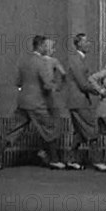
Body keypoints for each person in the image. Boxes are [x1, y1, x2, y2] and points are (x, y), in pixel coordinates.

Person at [0, 35, 63, 170]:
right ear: (41, 46)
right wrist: (56, 86)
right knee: (49, 129)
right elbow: (47, 84)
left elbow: (18, 82)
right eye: (45, 45)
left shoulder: (24, 61)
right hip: (37, 103)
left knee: (14, 131)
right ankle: (54, 159)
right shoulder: (41, 62)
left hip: (22, 101)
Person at [66, 33, 106, 171]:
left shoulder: (79, 60)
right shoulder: (77, 61)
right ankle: (97, 161)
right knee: (92, 129)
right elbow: (83, 84)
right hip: (79, 101)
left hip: (77, 101)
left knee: (79, 132)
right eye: (85, 41)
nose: (88, 43)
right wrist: (99, 91)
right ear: (78, 44)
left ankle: (71, 159)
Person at [42, 38, 66, 169]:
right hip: (49, 96)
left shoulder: (38, 61)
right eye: (52, 47)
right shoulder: (53, 61)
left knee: (47, 125)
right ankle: (51, 156)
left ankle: (46, 151)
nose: (54, 50)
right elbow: (63, 73)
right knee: (54, 125)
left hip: (40, 96)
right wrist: (58, 86)